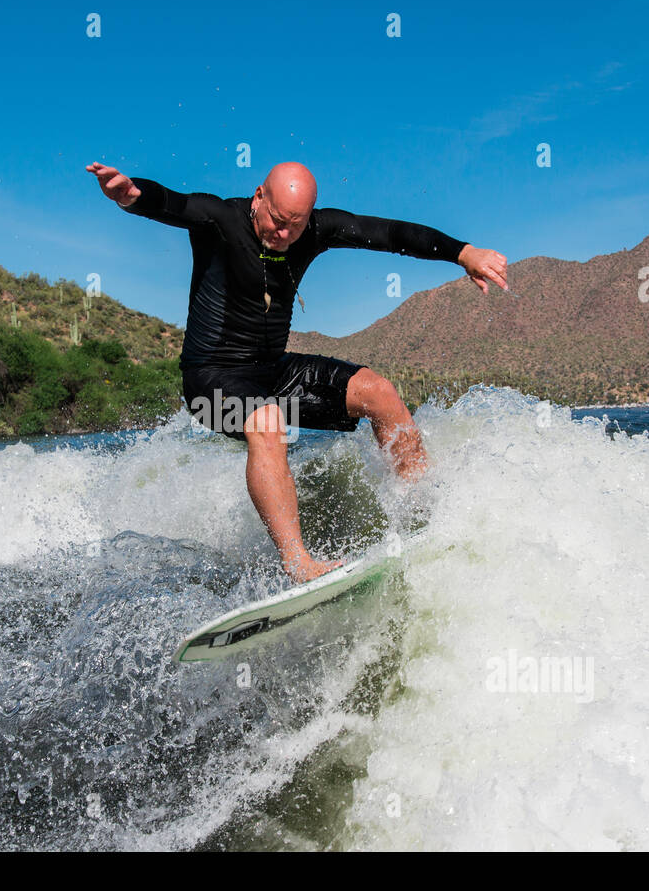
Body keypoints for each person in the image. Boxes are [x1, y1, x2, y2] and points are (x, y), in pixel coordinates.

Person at [87, 160, 508, 582]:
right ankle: (298, 563)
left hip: (273, 372)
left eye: (296, 224)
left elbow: (389, 234)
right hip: (208, 382)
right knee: (267, 422)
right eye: (277, 220)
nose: (284, 234)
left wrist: (462, 252)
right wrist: (131, 194)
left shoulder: (313, 230)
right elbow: (170, 203)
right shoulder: (220, 219)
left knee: (378, 391)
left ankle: (422, 513)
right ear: (258, 197)